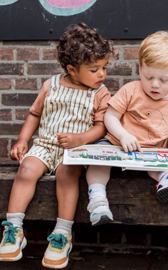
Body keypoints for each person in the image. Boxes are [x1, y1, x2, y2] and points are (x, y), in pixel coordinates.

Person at [0, 22, 113, 269]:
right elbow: (34, 115)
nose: (102, 74)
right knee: (26, 170)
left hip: (75, 150)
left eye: (104, 67)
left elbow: (102, 126)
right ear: (72, 69)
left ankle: (62, 234)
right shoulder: (50, 85)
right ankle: (13, 230)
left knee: (67, 172)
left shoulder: (100, 93)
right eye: (94, 69)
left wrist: (81, 139)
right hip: (45, 145)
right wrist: (22, 140)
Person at [86, 31, 168, 226]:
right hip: (117, 145)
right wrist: (122, 135)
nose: (154, 85)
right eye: (148, 77)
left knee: (158, 169)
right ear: (140, 69)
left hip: (151, 153)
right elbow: (110, 116)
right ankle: (98, 202)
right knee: (98, 163)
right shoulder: (131, 90)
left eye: (163, 80)